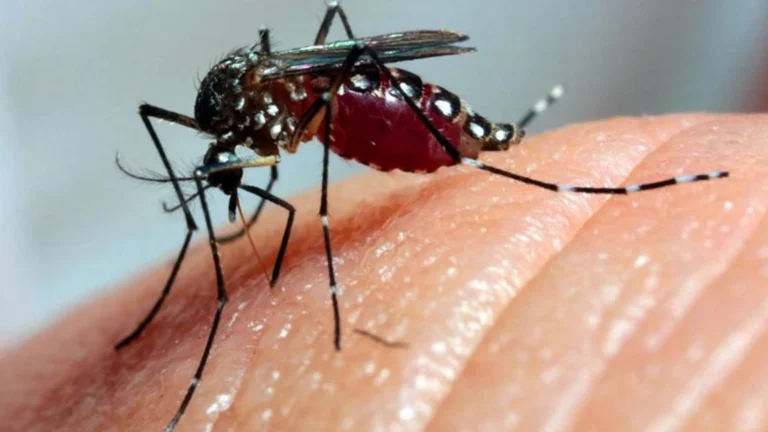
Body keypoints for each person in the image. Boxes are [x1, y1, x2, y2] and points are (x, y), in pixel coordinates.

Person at [1, 113, 765, 431]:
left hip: (360, 95)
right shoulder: (227, 124)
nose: (229, 189)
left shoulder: (258, 118)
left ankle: (512, 165)